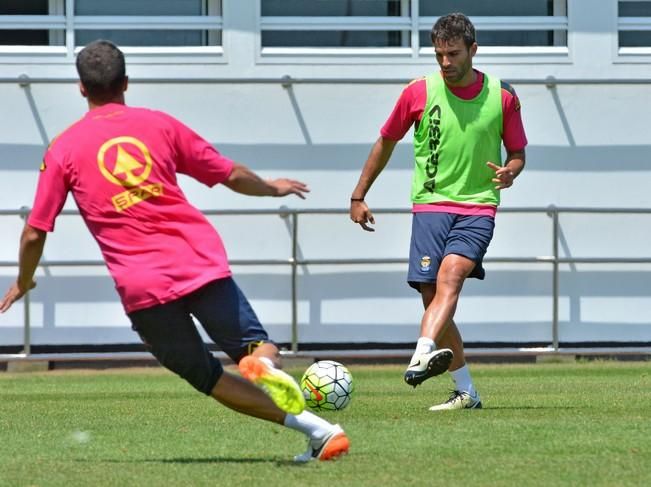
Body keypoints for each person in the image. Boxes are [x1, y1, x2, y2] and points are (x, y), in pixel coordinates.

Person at [0, 40, 349, 461]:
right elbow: (229, 174)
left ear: (81, 88)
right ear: (126, 82)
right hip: (197, 260)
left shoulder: (64, 148)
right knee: (254, 347)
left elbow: (35, 232)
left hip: (143, 287)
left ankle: (317, 430)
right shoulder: (159, 125)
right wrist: (272, 188)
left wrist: (24, 280)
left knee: (208, 375)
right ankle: (270, 371)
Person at [349, 13, 527, 411]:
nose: (445, 63)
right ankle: (467, 392)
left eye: (453, 54)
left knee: (451, 277)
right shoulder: (417, 92)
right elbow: (386, 141)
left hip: (478, 208)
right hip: (430, 207)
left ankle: (421, 352)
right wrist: (358, 195)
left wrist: (510, 172)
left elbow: (517, 154)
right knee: (431, 295)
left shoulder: (503, 96)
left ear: (473, 50)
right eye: (439, 55)